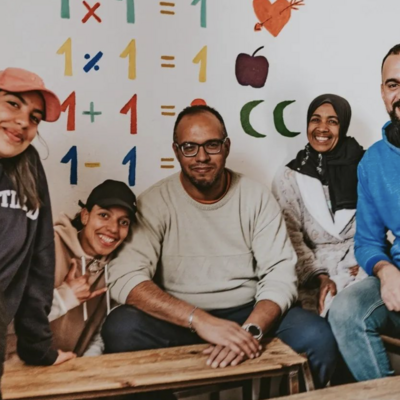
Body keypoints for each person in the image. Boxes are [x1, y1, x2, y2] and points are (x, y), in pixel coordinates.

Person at [102, 105, 338, 388]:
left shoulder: (256, 197)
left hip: (247, 312)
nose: (201, 156)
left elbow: (280, 274)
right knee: (120, 328)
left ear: (226, 147)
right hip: (180, 319)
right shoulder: (154, 202)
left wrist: (251, 331)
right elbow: (125, 276)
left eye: (212, 145)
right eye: (190, 147)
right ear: (176, 151)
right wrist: (199, 320)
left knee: (317, 336)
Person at [329, 44, 400, 381]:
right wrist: (386, 271)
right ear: (383, 91)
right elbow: (368, 241)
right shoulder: (372, 162)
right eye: (393, 84)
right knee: (345, 310)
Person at [0, 67, 75, 368]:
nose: (23, 122)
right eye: (13, 104)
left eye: (35, 118)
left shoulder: (28, 165)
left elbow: (38, 263)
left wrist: (38, 348)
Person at [272, 94, 366, 316]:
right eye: (315, 119)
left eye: (332, 121)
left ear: (343, 126)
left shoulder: (365, 166)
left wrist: (367, 263)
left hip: (362, 267)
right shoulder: (289, 177)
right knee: (324, 319)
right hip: (313, 276)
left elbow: (379, 224)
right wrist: (320, 277)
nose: (322, 128)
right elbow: (290, 238)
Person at [48, 180, 136, 356]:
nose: (113, 228)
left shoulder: (118, 265)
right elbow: (13, 316)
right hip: (19, 363)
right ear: (85, 216)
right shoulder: (48, 245)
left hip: (73, 365)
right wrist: (65, 297)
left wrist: (85, 365)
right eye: (104, 215)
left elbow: (99, 334)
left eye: (123, 222)